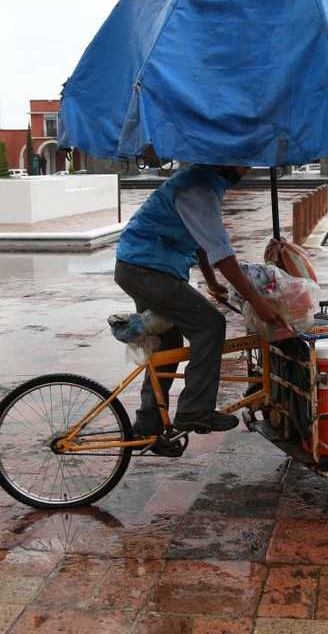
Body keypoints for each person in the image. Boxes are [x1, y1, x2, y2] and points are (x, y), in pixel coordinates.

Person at [114, 163, 287, 455]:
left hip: (139, 266)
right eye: (243, 161)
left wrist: (212, 284)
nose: (245, 169)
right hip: (148, 269)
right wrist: (260, 303)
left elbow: (202, 244)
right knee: (210, 326)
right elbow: (223, 255)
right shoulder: (200, 189)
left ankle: (149, 424)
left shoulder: (202, 183)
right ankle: (195, 410)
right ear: (224, 159)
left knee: (167, 343)